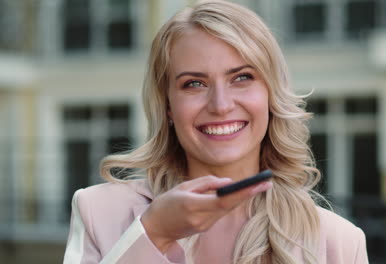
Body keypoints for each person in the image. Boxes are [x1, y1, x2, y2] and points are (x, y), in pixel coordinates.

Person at [63, 0, 368, 263]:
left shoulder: (339, 242)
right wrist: (155, 233)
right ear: (168, 105)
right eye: (194, 83)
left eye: (242, 77)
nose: (220, 105)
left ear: (271, 95)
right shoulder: (98, 211)